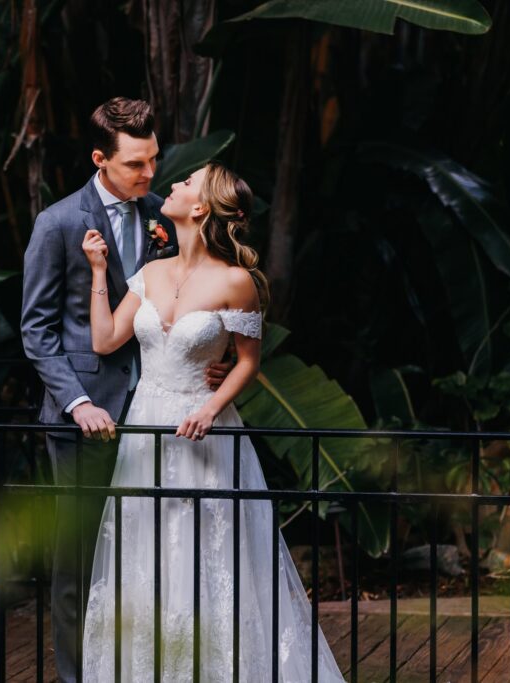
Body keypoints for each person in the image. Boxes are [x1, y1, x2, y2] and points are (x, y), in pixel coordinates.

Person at [79, 163, 345, 680]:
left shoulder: (236, 281)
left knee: (208, 550)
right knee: (147, 545)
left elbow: (248, 360)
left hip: (204, 427)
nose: (171, 186)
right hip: (147, 426)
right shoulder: (150, 272)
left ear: (200, 208)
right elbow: (106, 338)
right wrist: (96, 271)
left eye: (185, 184)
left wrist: (209, 407)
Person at [20, 97, 231, 683]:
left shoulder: (162, 219)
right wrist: (78, 403)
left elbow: (195, 300)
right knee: (80, 560)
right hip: (88, 419)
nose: (150, 173)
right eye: (136, 164)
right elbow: (36, 332)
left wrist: (209, 360)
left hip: (158, 413)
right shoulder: (59, 223)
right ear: (99, 159)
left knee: (151, 555)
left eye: (155, 159)